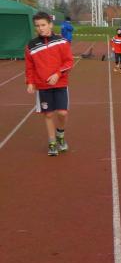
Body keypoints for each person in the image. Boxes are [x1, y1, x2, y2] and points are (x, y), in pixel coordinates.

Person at [25, 11, 74, 156]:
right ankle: (52, 142)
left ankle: (60, 134)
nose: (40, 28)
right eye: (37, 26)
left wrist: (58, 74)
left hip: (60, 84)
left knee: (62, 113)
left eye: (43, 25)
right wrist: (30, 82)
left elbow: (69, 62)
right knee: (48, 115)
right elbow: (29, 67)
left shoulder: (62, 42)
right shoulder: (31, 46)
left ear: (50, 25)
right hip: (43, 86)